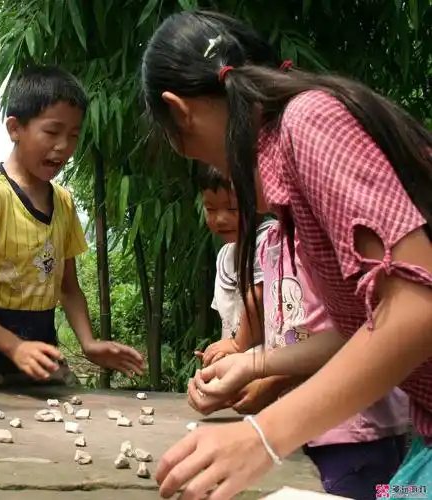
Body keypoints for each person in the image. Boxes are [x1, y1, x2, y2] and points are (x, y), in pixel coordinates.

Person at [140, 10, 432, 499]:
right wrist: (256, 363)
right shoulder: (292, 154)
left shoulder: (308, 121)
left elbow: (417, 306)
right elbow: (374, 323)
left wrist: (262, 437)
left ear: (180, 112)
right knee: (392, 495)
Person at [0, 66, 145, 403]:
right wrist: (13, 346)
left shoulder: (63, 202)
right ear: (15, 128)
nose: (63, 147)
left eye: (74, 135)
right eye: (52, 132)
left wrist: (88, 343)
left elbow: (69, 287)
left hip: (40, 363)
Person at [192, 219, 410, 498]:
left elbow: (362, 332)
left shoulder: (331, 235)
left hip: (355, 432)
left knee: (392, 493)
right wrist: (252, 371)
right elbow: (292, 340)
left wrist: (267, 378)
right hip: (303, 427)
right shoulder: (272, 242)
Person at [194, 165, 273, 367]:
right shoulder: (225, 255)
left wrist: (238, 345)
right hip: (244, 358)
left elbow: (258, 295)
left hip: (271, 359)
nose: (220, 219)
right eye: (210, 209)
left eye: (232, 208)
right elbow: (229, 319)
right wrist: (223, 350)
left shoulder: (270, 239)